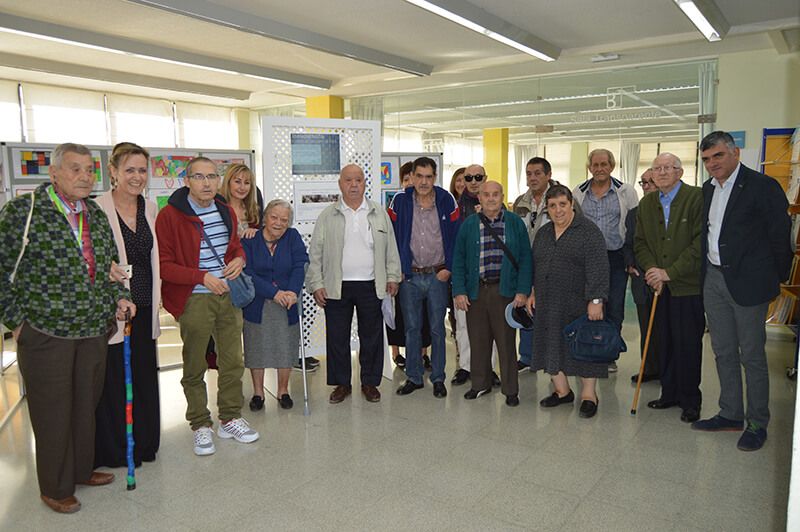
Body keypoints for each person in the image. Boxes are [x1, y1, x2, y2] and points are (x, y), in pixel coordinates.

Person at [0, 143, 136, 513]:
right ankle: (55, 487)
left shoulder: (92, 212)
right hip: (46, 332)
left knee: (83, 405)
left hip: (92, 328)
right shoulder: (24, 212)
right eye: (74, 169)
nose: (84, 176)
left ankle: (80, 469)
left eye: (89, 170)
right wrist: (18, 322)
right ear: (54, 173)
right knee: (52, 411)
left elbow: (108, 267)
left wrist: (119, 297)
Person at [692, 130, 793, 451]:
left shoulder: (763, 187)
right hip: (714, 280)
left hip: (750, 283)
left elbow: (781, 237)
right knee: (722, 351)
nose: (712, 164)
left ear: (734, 153)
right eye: (706, 159)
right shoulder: (708, 190)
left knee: (751, 355)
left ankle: (756, 422)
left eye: (718, 156)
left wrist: (775, 280)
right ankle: (731, 413)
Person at [156, 156, 259, 457]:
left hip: (228, 296)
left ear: (218, 180)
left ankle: (229, 417)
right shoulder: (169, 216)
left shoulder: (225, 209)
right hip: (194, 297)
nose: (206, 183)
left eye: (212, 176)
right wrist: (201, 276)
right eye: (199, 177)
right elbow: (164, 266)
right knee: (195, 363)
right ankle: (200, 423)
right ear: (187, 181)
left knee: (232, 360)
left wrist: (240, 259)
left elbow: (234, 248)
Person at [305, 164, 401, 404]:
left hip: (371, 284)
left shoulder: (378, 212)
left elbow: (391, 248)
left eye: (358, 180)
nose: (354, 184)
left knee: (372, 336)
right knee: (337, 337)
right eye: (349, 180)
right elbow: (315, 253)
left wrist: (393, 276)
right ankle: (341, 384)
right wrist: (316, 283)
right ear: (341, 184)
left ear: (365, 183)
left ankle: (370, 382)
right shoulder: (329, 215)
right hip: (337, 285)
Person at [94, 142, 162, 469]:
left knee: (145, 375)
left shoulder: (150, 208)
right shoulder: (97, 208)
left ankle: (146, 442)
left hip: (144, 306)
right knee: (114, 380)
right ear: (114, 171)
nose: (137, 177)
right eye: (130, 170)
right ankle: (117, 448)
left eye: (142, 170)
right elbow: (89, 259)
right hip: (114, 309)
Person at [528, 185, 609, 418]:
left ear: (571, 204)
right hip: (547, 302)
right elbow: (536, 266)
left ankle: (588, 396)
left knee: (584, 348)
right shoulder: (543, 234)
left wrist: (596, 299)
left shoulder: (588, 232)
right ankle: (562, 392)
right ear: (547, 209)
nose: (558, 210)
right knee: (551, 345)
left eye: (562, 204)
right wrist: (533, 291)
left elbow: (599, 268)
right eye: (552, 206)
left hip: (579, 303)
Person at [634, 153, 704, 423]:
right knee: (664, 342)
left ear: (680, 172)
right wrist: (653, 272)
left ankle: (690, 400)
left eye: (667, 168)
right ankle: (669, 393)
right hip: (658, 286)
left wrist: (669, 273)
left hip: (687, 286)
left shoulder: (696, 198)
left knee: (687, 343)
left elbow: (700, 243)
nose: (661, 172)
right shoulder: (647, 203)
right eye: (657, 168)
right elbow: (640, 242)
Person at [452, 180, 532, 406]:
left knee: (506, 343)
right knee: (478, 341)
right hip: (476, 291)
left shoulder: (515, 223)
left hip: (505, 292)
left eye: (495, 194)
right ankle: (480, 384)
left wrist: (522, 291)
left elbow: (526, 259)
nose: (490, 198)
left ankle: (510, 390)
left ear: (502, 196)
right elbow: (458, 259)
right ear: (479, 197)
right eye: (486, 194)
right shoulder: (469, 224)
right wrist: (459, 290)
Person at [389, 156, 460, 398]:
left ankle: (438, 378)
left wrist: (448, 268)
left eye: (429, 177)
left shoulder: (446, 199)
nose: (423, 181)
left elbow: (456, 236)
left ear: (435, 178)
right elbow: (391, 237)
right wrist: (397, 269)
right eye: (419, 176)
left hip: (437, 275)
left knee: (437, 329)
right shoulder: (399, 201)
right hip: (409, 276)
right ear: (413, 176)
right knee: (411, 328)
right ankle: (414, 377)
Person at [572, 149, 638, 372]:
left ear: (612, 166)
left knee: (614, 306)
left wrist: (631, 258)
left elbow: (633, 227)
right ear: (589, 167)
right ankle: (587, 347)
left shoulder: (626, 191)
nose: (599, 168)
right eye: (595, 164)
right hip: (586, 257)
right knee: (588, 303)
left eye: (604, 164)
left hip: (615, 256)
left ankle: (608, 353)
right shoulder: (578, 193)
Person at [242, 199, 308, 411]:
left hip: (287, 301)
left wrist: (292, 291)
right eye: (274, 217)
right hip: (258, 302)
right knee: (256, 347)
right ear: (265, 218)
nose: (278, 223)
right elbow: (247, 272)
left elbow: (301, 264)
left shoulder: (293, 237)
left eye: (284, 220)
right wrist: (273, 292)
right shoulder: (250, 239)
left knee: (286, 346)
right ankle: (258, 393)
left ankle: (283, 390)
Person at [450, 164, 500, 388]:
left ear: (485, 178)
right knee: (462, 325)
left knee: (491, 327)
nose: (472, 181)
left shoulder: (496, 207)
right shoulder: (454, 208)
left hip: (491, 279)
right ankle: (466, 367)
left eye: (477, 177)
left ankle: (488, 369)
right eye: (468, 177)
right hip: (465, 277)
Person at [512, 156, 556, 373]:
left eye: (538, 173)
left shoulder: (561, 198)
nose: (533, 178)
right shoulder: (521, 201)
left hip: (553, 265)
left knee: (552, 313)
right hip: (526, 265)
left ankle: (553, 358)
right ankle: (527, 356)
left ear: (548, 175)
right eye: (529, 173)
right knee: (526, 310)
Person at [385, 161, 432, 369]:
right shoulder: (397, 203)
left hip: (428, 272)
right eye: (409, 178)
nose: (414, 182)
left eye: (427, 177)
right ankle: (400, 355)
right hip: (404, 272)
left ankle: (422, 356)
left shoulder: (435, 202)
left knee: (425, 319)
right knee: (405, 319)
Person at [623, 169, 660, 383]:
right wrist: (629, 264)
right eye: (643, 182)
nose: (646, 187)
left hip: (665, 279)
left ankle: (668, 370)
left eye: (650, 182)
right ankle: (649, 367)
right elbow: (628, 243)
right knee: (646, 326)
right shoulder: (634, 213)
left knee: (667, 327)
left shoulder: (669, 210)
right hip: (640, 277)